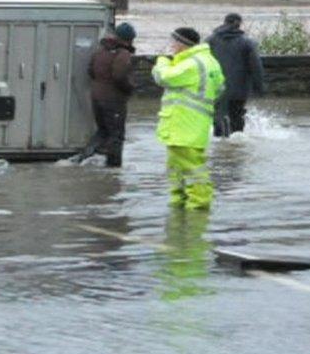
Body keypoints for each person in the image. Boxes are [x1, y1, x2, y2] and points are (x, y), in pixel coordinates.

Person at [152, 28, 225, 210]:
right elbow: (220, 88)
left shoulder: (192, 64)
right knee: (178, 166)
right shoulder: (210, 62)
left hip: (183, 125)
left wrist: (161, 61)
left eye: (173, 43)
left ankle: (197, 205)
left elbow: (164, 77)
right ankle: (180, 201)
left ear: (181, 44)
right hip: (192, 125)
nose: (171, 47)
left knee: (191, 168)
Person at [69, 22, 137, 167]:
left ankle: (82, 158)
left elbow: (91, 71)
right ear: (129, 39)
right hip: (114, 100)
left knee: (103, 131)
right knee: (116, 135)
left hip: (97, 98)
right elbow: (119, 76)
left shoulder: (100, 51)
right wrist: (130, 88)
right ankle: (114, 167)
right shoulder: (123, 54)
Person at [207, 13, 264, 137]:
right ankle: (236, 144)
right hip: (239, 89)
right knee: (237, 115)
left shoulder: (210, 40)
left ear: (224, 22)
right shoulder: (247, 42)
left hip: (216, 88)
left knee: (218, 114)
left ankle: (220, 144)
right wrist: (259, 87)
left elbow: (202, 63)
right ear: (239, 24)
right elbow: (256, 66)